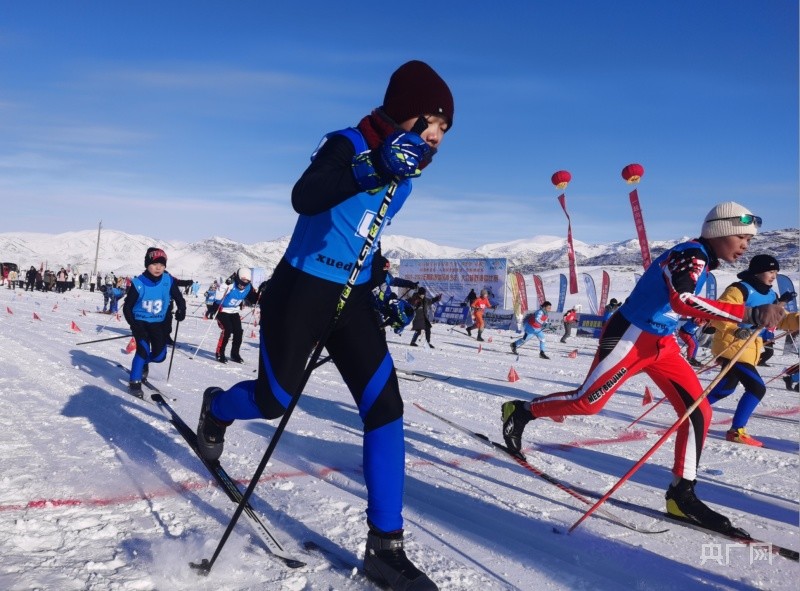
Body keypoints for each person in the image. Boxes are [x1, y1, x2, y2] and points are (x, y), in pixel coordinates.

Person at [195, 60, 451, 591]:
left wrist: (377, 270)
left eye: (445, 131)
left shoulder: (410, 169)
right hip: (302, 289)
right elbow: (307, 196)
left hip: (352, 297)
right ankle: (216, 408)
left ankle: (386, 547)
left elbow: (363, 227)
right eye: (432, 123)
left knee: (385, 409)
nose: (437, 137)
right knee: (274, 400)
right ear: (406, 110)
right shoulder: (349, 142)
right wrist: (374, 165)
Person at [501, 202, 785, 534]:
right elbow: (683, 299)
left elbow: (681, 306)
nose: (746, 246)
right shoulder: (690, 254)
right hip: (631, 336)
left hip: (661, 344)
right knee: (588, 403)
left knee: (698, 411)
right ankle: (521, 411)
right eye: (742, 237)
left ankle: (682, 494)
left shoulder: (704, 260)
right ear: (720, 230)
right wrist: (748, 314)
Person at [706, 255, 799, 447]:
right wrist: (736, 329)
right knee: (757, 387)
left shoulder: (771, 295)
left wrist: (796, 320)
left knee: (725, 388)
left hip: (749, 348)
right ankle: (736, 430)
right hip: (731, 346)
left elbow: (779, 319)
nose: (774, 276)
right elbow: (719, 313)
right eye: (770, 271)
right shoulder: (739, 289)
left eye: (776, 272)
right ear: (757, 271)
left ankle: (692, 410)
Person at [122, 248, 186, 396]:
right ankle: (135, 382)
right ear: (147, 264)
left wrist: (182, 309)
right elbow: (127, 308)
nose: (158, 268)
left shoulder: (167, 280)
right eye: (154, 264)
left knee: (160, 355)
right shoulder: (138, 283)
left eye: (162, 264)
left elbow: (178, 297)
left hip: (158, 323)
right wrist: (134, 326)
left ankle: (144, 362)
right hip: (140, 323)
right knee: (142, 350)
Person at [207, 268, 258, 363]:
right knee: (227, 330)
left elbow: (253, 299)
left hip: (234, 311)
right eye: (243, 280)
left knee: (239, 332)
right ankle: (220, 353)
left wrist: (260, 292)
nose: (244, 284)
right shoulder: (231, 284)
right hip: (222, 310)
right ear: (238, 278)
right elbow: (218, 297)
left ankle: (235, 354)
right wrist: (225, 284)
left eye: (247, 281)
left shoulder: (248, 287)